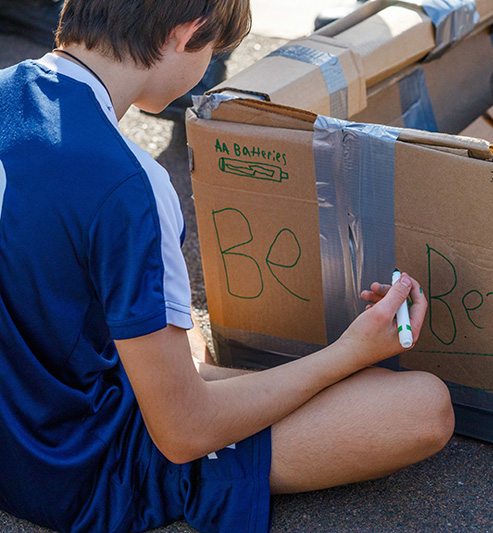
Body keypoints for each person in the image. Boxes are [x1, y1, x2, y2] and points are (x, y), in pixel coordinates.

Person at [0, 1, 455, 531]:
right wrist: (348, 353)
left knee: (188, 349)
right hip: (73, 469)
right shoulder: (129, 184)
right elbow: (183, 432)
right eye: (212, 50)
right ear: (187, 33)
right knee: (424, 405)